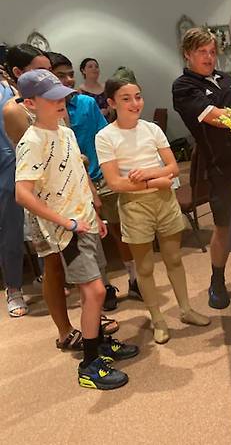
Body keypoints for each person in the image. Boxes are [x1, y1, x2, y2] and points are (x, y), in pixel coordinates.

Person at [15, 69, 138, 389]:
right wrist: (65, 222)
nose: (61, 100)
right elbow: (22, 193)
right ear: (30, 103)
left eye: (61, 94)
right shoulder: (31, 142)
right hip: (67, 228)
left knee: (97, 286)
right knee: (94, 291)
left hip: (85, 220)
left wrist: (94, 208)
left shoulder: (65, 132)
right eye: (51, 97)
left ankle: (99, 345)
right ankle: (89, 363)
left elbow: (77, 173)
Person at [97, 69, 209, 343]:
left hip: (164, 202)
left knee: (174, 259)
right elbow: (115, 183)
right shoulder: (105, 136)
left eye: (138, 97)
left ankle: (185, 309)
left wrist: (149, 175)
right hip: (135, 208)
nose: (135, 103)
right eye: (126, 99)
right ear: (112, 103)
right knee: (145, 267)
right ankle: (158, 320)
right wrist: (157, 182)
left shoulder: (152, 129)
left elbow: (171, 168)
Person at [48, 52, 139, 310]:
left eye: (69, 74)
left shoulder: (86, 104)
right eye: (60, 75)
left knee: (121, 230)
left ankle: (134, 279)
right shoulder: (48, 114)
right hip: (73, 189)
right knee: (91, 241)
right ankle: (107, 285)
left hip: (103, 176)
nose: (67, 80)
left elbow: (106, 135)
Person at [172, 27, 231, 310]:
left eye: (212, 52)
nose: (208, 57)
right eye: (201, 52)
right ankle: (217, 281)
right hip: (219, 166)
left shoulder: (226, 79)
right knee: (223, 227)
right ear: (188, 54)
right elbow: (214, 117)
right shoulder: (183, 87)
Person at [0, 67, 27, 316]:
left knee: (23, 226)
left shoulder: (8, 87)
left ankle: (17, 286)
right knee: (8, 230)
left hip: (15, 159)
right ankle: (13, 286)